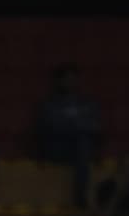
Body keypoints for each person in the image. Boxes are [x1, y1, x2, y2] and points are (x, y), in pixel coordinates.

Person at [37, 63, 102, 208]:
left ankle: (80, 198)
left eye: (72, 79)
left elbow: (95, 127)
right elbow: (50, 128)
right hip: (57, 149)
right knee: (81, 139)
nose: (69, 82)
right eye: (65, 79)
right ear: (58, 81)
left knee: (83, 143)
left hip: (80, 150)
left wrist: (72, 125)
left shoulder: (87, 103)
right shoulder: (49, 105)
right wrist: (77, 125)